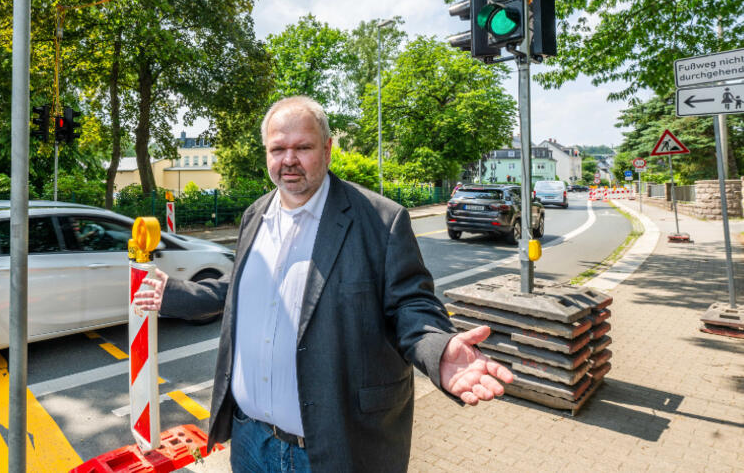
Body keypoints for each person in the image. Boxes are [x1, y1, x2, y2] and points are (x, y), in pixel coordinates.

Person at [134, 96, 512, 472]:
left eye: (303, 147)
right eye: (278, 148)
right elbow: (236, 288)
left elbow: (410, 306)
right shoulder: (255, 215)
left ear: (328, 149)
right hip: (250, 440)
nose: (289, 160)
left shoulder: (382, 220)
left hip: (334, 450)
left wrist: (438, 348)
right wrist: (175, 294)